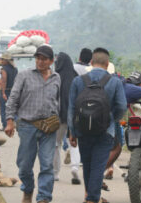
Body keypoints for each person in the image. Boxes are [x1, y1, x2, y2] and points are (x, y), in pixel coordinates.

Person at [68, 47, 127, 203]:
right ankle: (92, 199)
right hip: (105, 131)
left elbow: (72, 108)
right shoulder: (114, 82)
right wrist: (112, 119)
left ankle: (90, 197)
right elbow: (122, 106)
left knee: (87, 165)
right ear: (107, 64)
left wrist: (72, 132)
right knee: (98, 167)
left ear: (91, 62)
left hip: (82, 130)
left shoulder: (78, 81)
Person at [5, 45, 60, 203]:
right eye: (38, 58)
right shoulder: (24, 75)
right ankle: (28, 189)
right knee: (24, 165)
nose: (40, 62)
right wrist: (10, 121)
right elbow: (13, 98)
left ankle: (43, 197)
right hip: (27, 125)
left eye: (44, 59)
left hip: (49, 128)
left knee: (47, 164)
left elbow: (58, 101)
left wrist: (60, 121)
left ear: (51, 61)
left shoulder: (57, 77)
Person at [52, 52, 81, 184]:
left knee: (56, 144)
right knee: (74, 142)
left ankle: (55, 173)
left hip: (59, 116)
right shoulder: (76, 77)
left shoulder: (55, 77)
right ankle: (75, 167)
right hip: (74, 116)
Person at [0, 53, 18, 130]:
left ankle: (5, 125)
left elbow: (4, 81)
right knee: (13, 108)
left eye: (2, 59)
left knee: (3, 109)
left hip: (6, 91)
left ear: (6, 61)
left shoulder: (4, 69)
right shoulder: (15, 69)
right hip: (13, 91)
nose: (1, 61)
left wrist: (3, 93)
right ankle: (17, 121)